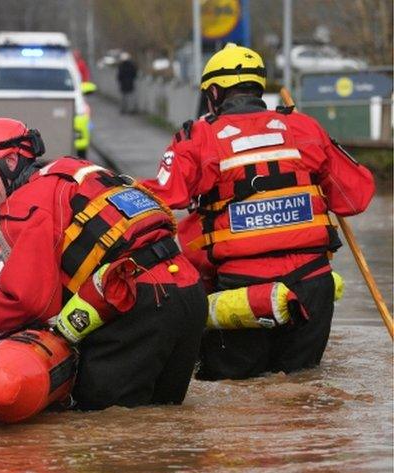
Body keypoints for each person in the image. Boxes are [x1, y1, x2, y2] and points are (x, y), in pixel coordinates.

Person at [141, 44, 375, 381]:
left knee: (237, 401)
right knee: (302, 391)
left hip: (242, 292)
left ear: (215, 93)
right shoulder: (304, 127)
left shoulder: (197, 139)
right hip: (312, 286)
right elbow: (357, 197)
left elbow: (163, 199)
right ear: (257, 87)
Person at [0, 117, 207, 411]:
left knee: (103, 426)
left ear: (11, 160)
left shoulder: (25, 203)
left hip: (137, 302)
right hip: (188, 292)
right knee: (164, 418)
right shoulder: (73, 172)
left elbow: (31, 302)